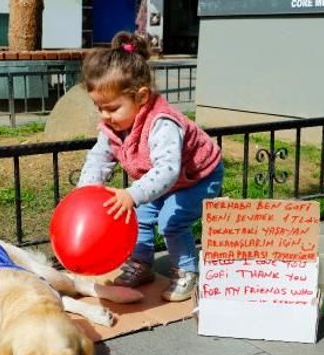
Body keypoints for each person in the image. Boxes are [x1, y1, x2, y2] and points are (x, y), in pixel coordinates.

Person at [77, 31, 224, 302]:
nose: (104, 116)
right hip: (160, 179)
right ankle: (142, 265)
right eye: (99, 108)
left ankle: (186, 272)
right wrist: (87, 192)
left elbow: (167, 171)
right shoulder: (112, 128)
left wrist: (133, 194)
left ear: (141, 97)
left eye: (111, 108)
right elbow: (99, 158)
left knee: (172, 221)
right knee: (138, 217)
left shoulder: (163, 124)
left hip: (198, 177)